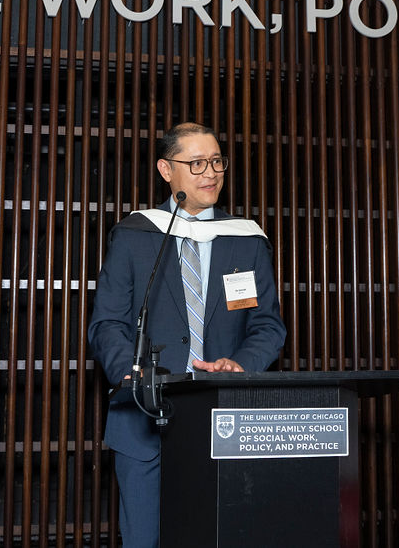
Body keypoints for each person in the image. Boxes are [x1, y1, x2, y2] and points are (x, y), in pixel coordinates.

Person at [88, 122, 286, 548]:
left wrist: (242, 364)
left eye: (216, 161)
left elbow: (267, 326)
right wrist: (131, 372)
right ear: (166, 170)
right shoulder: (136, 236)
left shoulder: (245, 241)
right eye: (196, 163)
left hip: (225, 422)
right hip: (143, 419)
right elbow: (108, 323)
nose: (210, 172)